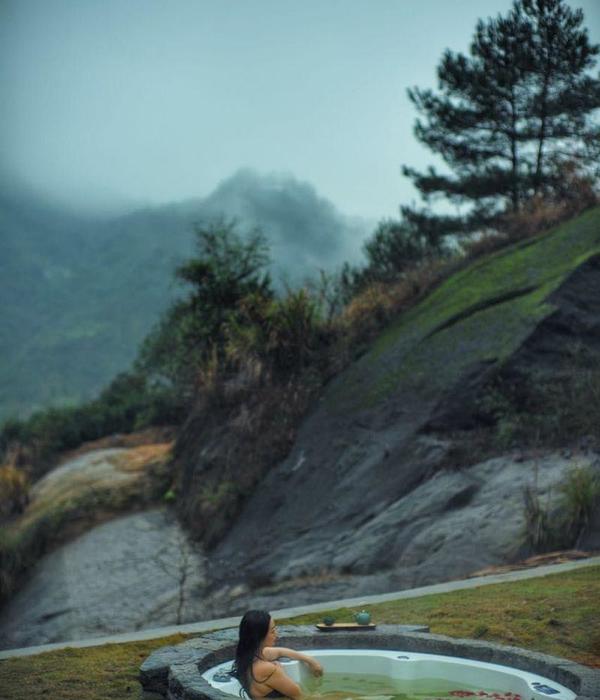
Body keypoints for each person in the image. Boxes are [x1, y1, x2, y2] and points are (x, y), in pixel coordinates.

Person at [233, 609, 323, 699]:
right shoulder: (266, 669)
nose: (276, 634)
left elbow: (280, 651)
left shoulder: (248, 657)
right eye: (272, 631)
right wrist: (278, 669)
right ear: (260, 636)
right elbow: (299, 696)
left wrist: (311, 661)